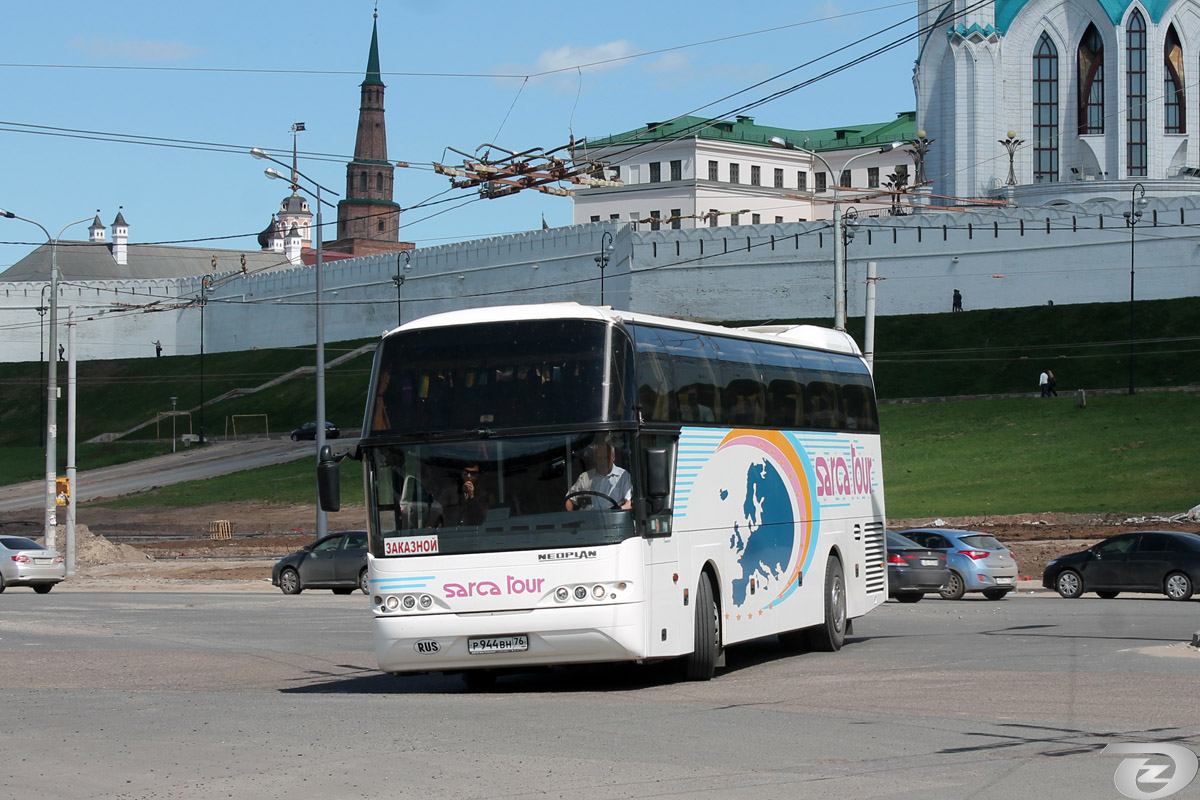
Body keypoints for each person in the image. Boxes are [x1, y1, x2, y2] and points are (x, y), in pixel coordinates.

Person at [565, 440, 632, 511]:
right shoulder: (585, 477)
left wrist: (618, 510)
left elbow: (630, 501)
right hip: (588, 519)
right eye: (600, 458)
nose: (603, 462)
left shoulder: (623, 476)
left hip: (613, 519)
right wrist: (572, 516)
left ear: (613, 458)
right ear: (595, 459)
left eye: (607, 458)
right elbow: (569, 499)